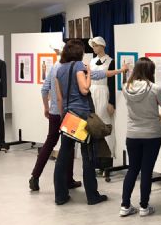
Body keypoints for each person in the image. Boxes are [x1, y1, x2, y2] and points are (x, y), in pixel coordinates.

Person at [120, 57, 161, 217]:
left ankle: (125, 205)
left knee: (132, 169)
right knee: (146, 170)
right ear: (150, 71)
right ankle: (144, 207)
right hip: (152, 135)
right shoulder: (155, 89)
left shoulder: (126, 87)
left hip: (132, 135)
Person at [53, 40, 106, 206]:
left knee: (63, 156)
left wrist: (63, 116)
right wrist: (88, 72)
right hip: (82, 115)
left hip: (68, 116)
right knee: (87, 156)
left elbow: (60, 97)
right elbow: (84, 89)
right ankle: (92, 195)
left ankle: (60, 195)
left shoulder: (59, 69)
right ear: (78, 53)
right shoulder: (78, 66)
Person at [28, 43, 81, 192]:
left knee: (49, 143)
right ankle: (68, 179)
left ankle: (35, 176)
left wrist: (46, 107)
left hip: (54, 112)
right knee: (69, 145)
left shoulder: (54, 67)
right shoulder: (70, 68)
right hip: (68, 113)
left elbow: (44, 89)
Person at [88, 36, 128, 181]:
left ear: (102, 46)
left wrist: (111, 102)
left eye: (96, 45)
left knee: (104, 126)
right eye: (93, 46)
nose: (94, 48)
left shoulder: (111, 61)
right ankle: (95, 162)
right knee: (93, 126)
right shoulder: (91, 61)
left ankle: (106, 162)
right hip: (92, 93)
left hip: (104, 94)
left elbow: (111, 82)